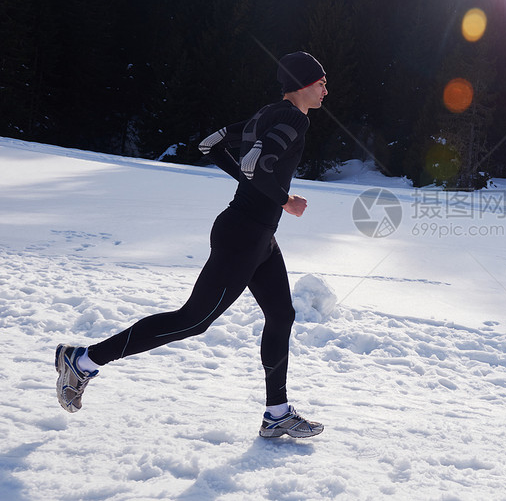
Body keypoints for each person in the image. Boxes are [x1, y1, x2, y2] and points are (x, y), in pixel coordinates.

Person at [55, 51, 328, 439]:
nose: (325, 90)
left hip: (257, 236)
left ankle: (276, 412)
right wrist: (284, 199)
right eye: (321, 82)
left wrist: (262, 185)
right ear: (302, 84)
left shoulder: (265, 115)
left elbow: (210, 144)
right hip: (242, 237)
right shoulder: (293, 120)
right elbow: (255, 165)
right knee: (193, 321)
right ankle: (83, 360)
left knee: (282, 314)